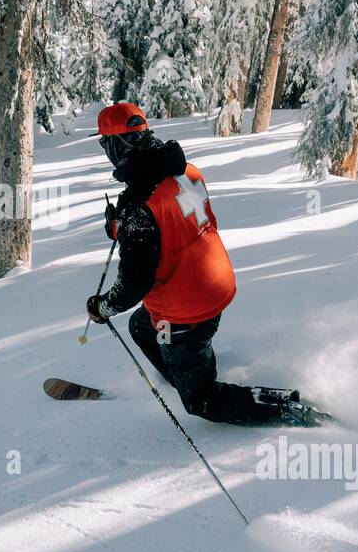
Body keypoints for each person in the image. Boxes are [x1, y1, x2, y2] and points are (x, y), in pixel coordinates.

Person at [84, 102, 286, 426]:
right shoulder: (184, 170)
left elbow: (135, 282)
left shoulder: (137, 204)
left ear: (117, 144)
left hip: (185, 310)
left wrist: (103, 307)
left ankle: (290, 406)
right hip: (214, 282)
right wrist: (122, 227)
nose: (103, 149)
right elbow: (172, 225)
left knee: (202, 400)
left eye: (103, 142)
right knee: (142, 327)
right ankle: (183, 371)